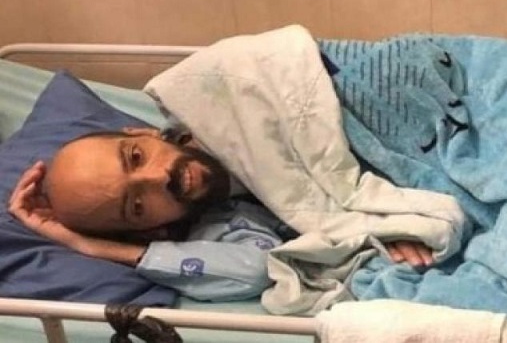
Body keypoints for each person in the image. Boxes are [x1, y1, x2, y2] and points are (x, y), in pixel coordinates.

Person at [8, 126, 433, 301]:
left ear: (142, 133)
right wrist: (87, 246)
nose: (158, 177)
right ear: (149, 229)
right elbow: (256, 270)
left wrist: (388, 208)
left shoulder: (223, 118)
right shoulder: (214, 230)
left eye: (135, 156)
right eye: (136, 205)